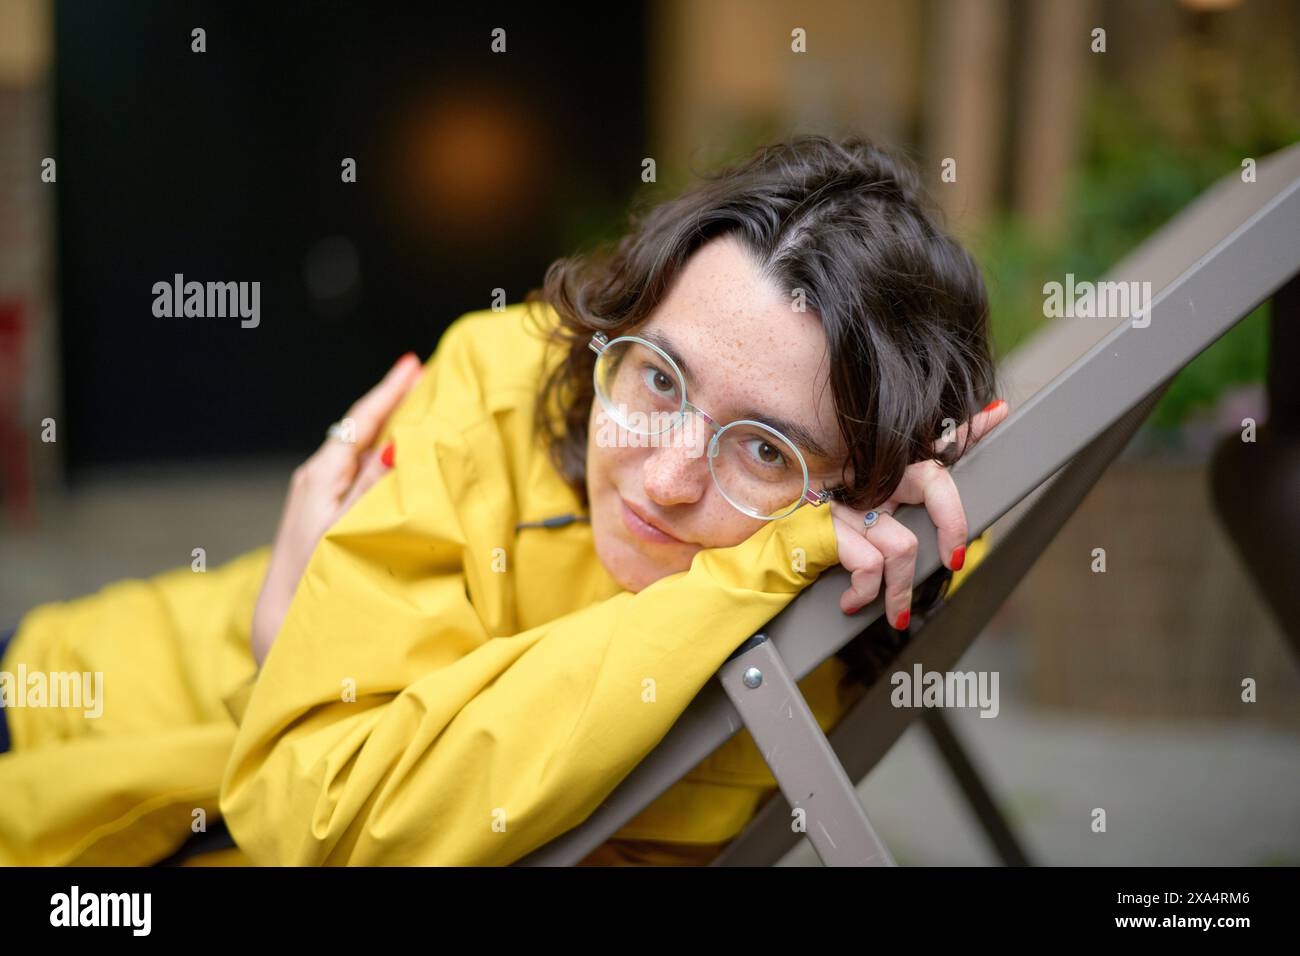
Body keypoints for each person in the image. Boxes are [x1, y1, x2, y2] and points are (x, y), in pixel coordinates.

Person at [0, 134, 1006, 866]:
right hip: (63, 712)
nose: (665, 475)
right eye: (658, 377)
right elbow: (313, 796)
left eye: (763, 446)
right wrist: (762, 556)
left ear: (867, 484)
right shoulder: (496, 381)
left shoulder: (832, 575)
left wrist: (800, 550)